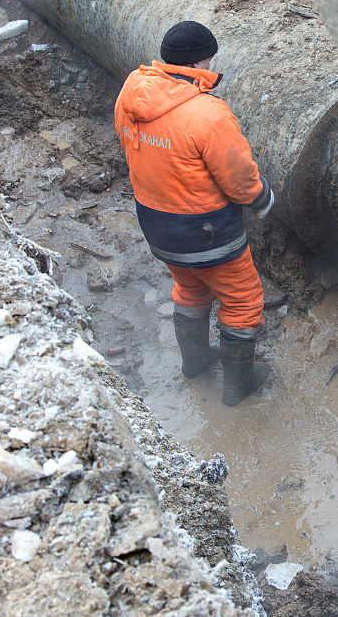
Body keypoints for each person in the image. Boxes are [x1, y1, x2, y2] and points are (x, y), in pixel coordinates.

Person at [114, 21, 273, 406]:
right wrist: (261, 197)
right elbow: (238, 177)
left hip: (157, 226)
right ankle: (238, 386)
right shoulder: (208, 114)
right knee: (242, 302)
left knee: (190, 287)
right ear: (203, 60)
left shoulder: (130, 92)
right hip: (207, 232)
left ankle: (196, 361)